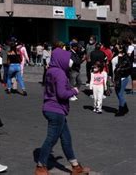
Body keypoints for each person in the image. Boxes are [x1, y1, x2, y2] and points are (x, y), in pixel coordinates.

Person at [34, 46, 90, 175]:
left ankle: (75, 166)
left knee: (66, 138)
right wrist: (74, 90)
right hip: (56, 109)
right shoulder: (59, 73)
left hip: (50, 107)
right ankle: (40, 166)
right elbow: (62, 94)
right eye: (67, 59)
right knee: (51, 139)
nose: (69, 61)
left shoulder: (50, 71)